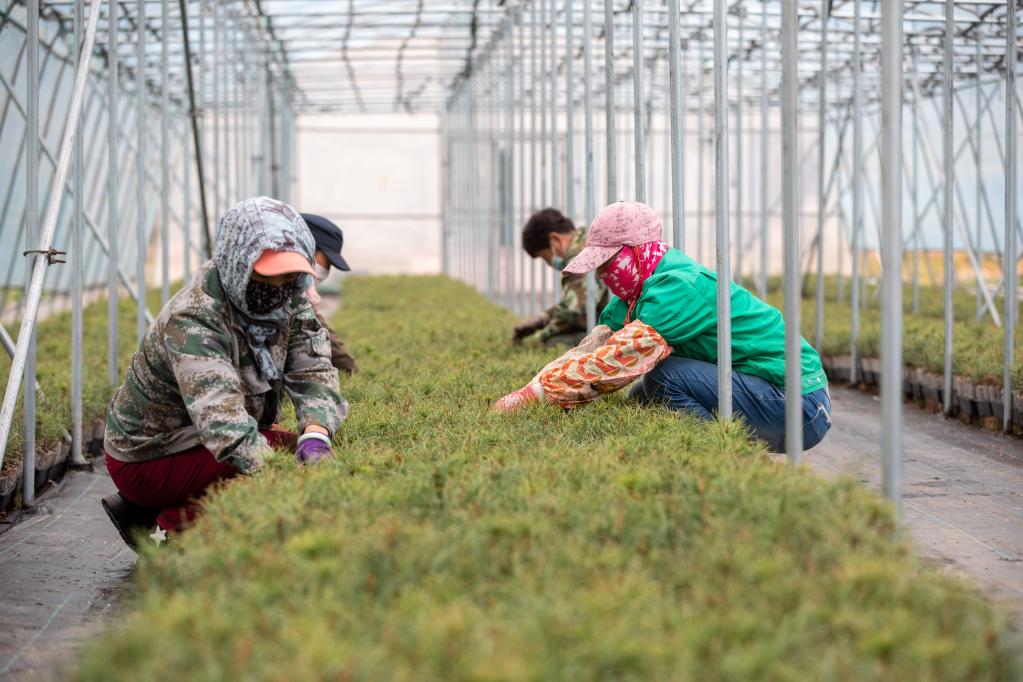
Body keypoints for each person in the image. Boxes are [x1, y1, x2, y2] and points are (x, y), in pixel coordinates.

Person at [101, 197, 348, 548]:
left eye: (289, 277)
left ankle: (157, 510)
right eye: (267, 277)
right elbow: (223, 423)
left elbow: (313, 368)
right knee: (276, 458)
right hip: (149, 455)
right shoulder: (194, 320)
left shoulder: (290, 298)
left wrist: (317, 433)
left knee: (297, 448)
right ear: (237, 262)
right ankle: (172, 529)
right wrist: (282, 478)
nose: (277, 290)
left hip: (194, 441)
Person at [495, 201, 832, 454]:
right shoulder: (635, 295)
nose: (601, 276)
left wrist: (534, 397)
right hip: (765, 391)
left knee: (664, 376)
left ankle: (717, 456)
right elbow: (592, 348)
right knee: (643, 398)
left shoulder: (677, 286)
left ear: (637, 253)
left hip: (798, 402)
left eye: (607, 263)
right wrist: (532, 389)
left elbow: (617, 362)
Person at [512, 208, 609, 348]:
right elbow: (576, 301)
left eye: (545, 257)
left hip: (617, 330)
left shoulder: (578, 258)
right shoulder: (586, 239)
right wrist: (543, 318)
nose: (550, 264)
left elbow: (575, 311)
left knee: (553, 343)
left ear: (555, 239)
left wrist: (541, 337)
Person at [301, 213, 358, 375]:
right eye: (326, 260)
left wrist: (349, 367)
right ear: (307, 247)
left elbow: (317, 325)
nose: (326, 269)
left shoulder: (299, 291)